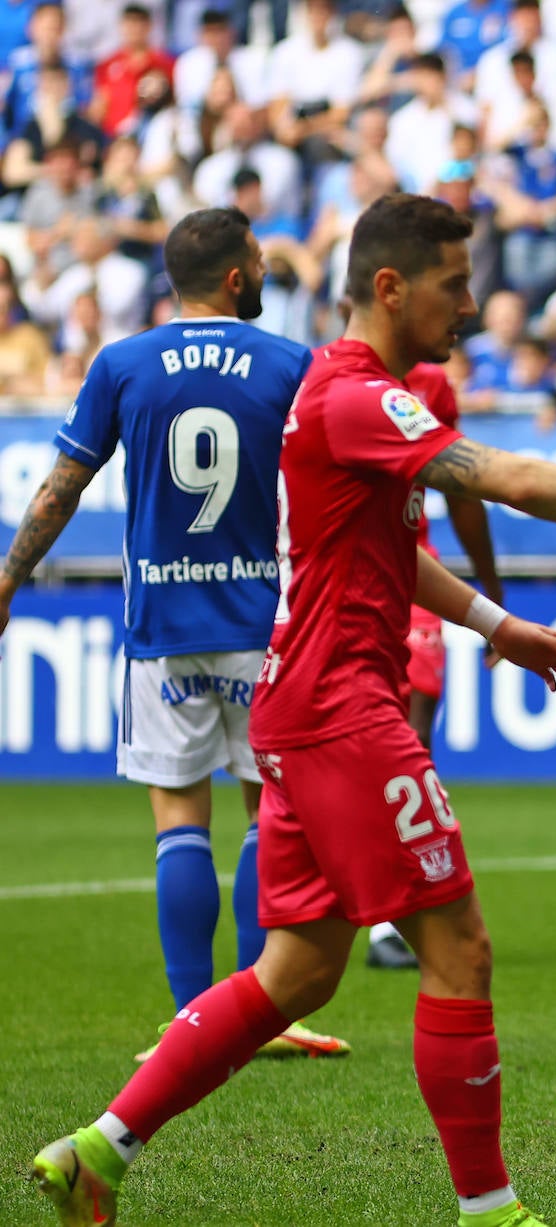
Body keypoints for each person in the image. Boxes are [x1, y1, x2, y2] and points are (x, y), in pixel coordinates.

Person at [25, 191, 556, 1227]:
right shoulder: (347, 390)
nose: (471, 306)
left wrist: (491, 622)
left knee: (296, 972)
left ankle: (95, 1153)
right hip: (343, 706)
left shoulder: (350, 391)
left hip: (307, 700)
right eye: (454, 284)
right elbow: (511, 476)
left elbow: (381, 548)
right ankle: (493, 1210)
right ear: (391, 286)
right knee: (458, 950)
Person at [0, 207, 350, 1063]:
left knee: (176, 821)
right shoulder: (291, 363)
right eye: (261, 264)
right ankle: (260, 1011)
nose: (266, 274)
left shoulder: (122, 363)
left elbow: (60, 489)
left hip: (162, 621)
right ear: (237, 277)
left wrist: (8, 577)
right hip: (263, 623)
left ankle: (195, 1020)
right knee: (269, 813)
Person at [368, 353, 506, 972]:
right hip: (346, 583)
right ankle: (368, 908)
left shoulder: (430, 384)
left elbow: (461, 491)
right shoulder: (326, 377)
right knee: (361, 745)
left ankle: (396, 916)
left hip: (416, 575)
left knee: (412, 741)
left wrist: (490, 590)